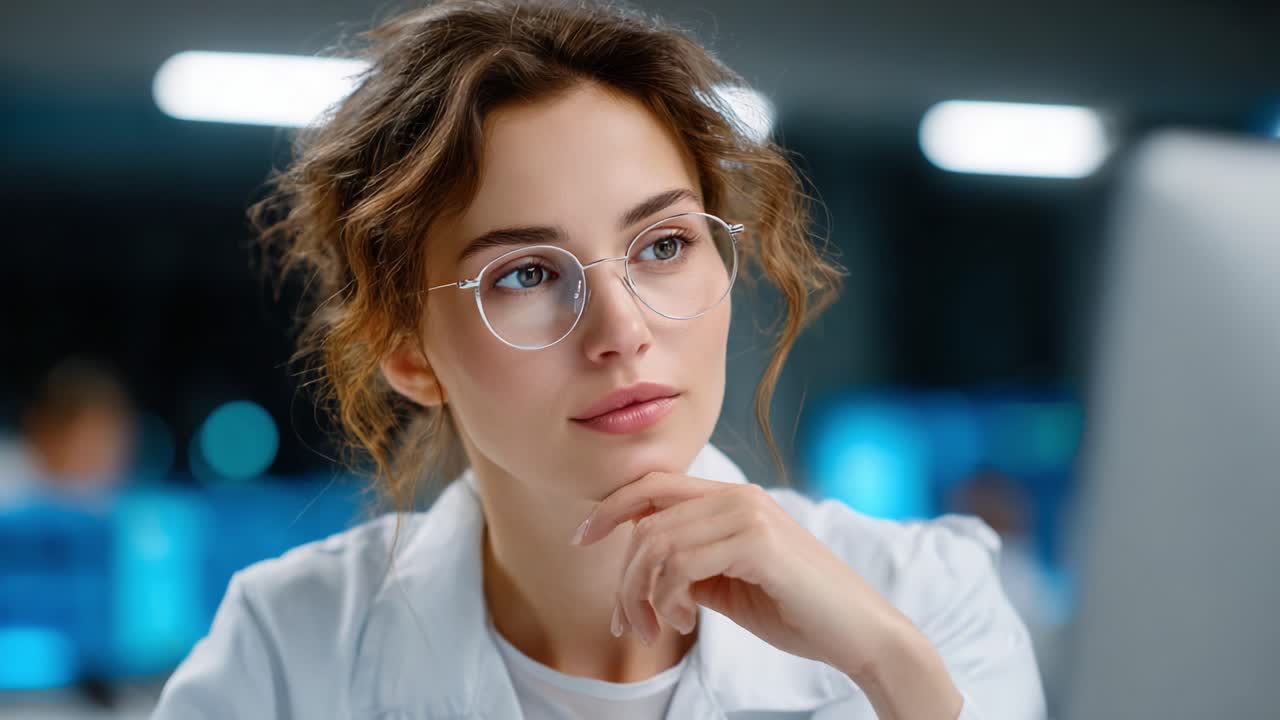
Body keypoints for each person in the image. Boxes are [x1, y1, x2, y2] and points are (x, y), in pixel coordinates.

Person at [152, 1, 1045, 717]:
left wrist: (886, 665)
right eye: (527, 273)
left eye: (662, 245)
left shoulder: (926, 597)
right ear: (408, 354)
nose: (620, 329)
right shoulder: (285, 649)